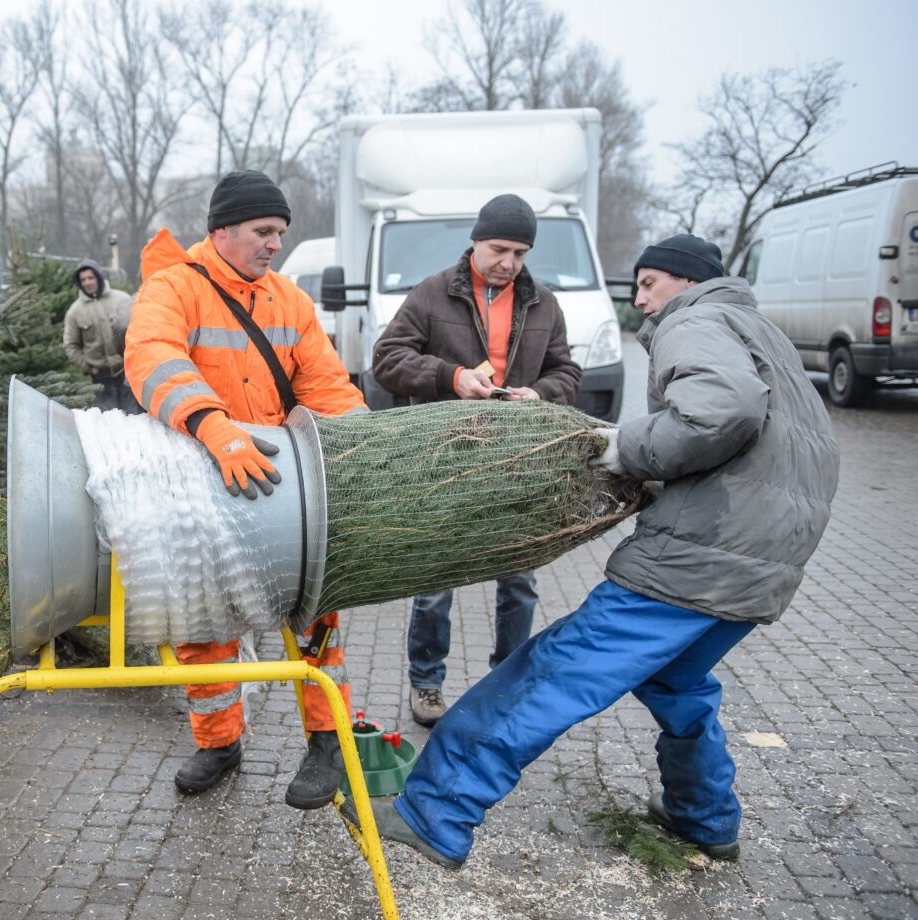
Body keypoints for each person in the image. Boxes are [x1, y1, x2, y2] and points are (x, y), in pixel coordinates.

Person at [345, 233, 840, 867]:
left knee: (555, 669)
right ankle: (704, 815)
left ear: (684, 282)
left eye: (648, 286)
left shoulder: (698, 319)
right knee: (677, 680)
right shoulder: (758, 331)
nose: (642, 302)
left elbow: (723, 412)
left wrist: (628, 448)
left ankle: (434, 810)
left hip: (704, 552)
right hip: (768, 557)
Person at [125, 170, 368, 809]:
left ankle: (327, 742)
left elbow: (326, 384)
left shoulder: (288, 300)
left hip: (284, 488)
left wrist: (363, 451)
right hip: (202, 487)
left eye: (280, 234)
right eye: (264, 232)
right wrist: (213, 425)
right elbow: (152, 357)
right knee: (204, 626)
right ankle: (220, 744)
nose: (274, 245)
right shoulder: (174, 287)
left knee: (317, 621)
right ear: (222, 229)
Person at [371, 194, 581, 727]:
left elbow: (566, 371)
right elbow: (385, 360)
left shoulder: (545, 303)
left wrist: (541, 395)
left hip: (516, 463)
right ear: (475, 241)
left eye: (519, 252)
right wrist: (451, 378)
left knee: (519, 580)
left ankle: (504, 685)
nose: (508, 262)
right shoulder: (432, 293)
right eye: (498, 248)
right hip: (445, 458)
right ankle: (427, 685)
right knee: (435, 582)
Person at [64, 259, 136, 413]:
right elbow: (71, 345)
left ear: (99, 277)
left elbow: (138, 329)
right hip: (100, 377)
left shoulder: (122, 299)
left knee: (134, 417)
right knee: (108, 420)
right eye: (83, 279)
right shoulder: (75, 311)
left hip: (127, 372)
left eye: (91, 278)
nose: (87, 282)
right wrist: (88, 366)